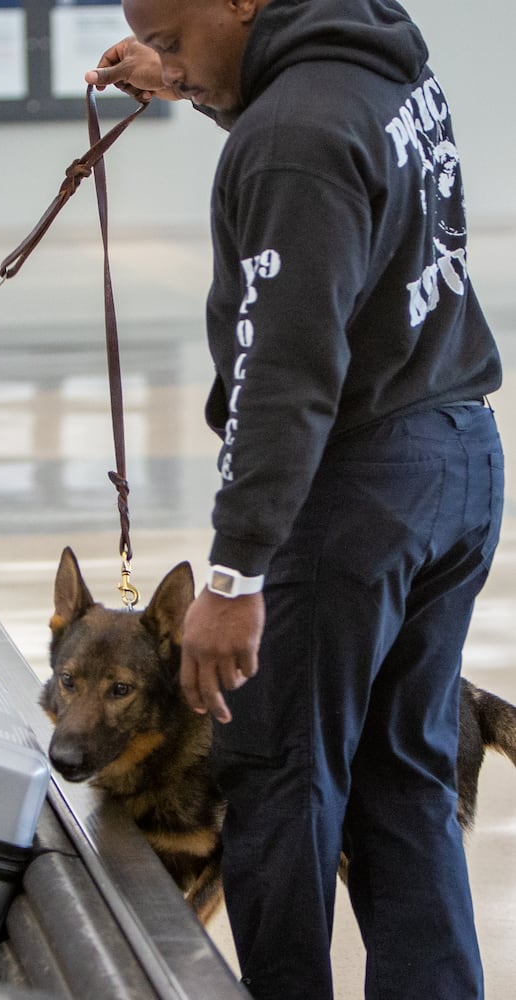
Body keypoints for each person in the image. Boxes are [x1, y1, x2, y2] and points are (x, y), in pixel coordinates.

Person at [86, 2, 503, 998]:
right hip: (455, 456)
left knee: (275, 782)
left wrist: (233, 574)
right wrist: (181, 79)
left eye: (176, 41)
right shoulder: (372, 54)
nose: (171, 66)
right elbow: (327, 167)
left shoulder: (293, 137)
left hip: (354, 491)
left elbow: (286, 373)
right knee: (401, 781)